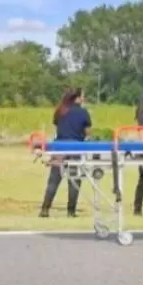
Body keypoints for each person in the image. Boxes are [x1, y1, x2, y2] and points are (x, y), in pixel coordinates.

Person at [39, 86, 92, 218]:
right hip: (76, 148)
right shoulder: (83, 112)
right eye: (82, 96)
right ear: (78, 98)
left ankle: (45, 209)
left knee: (54, 180)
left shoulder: (60, 110)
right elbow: (87, 133)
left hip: (60, 147)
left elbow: (58, 127)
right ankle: (71, 211)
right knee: (74, 180)